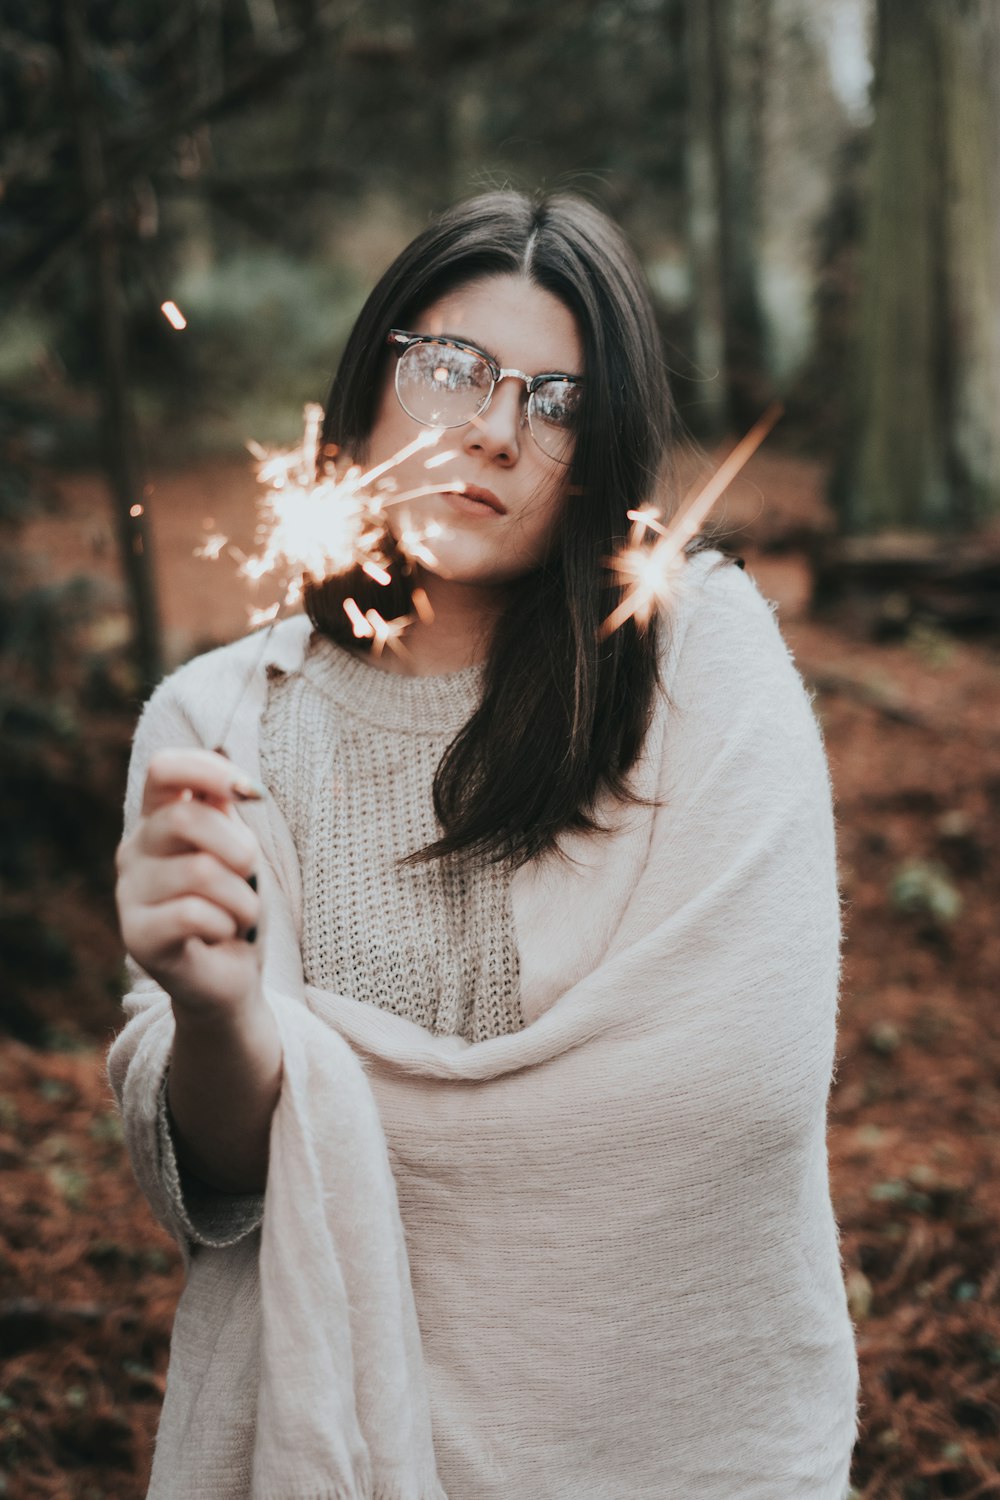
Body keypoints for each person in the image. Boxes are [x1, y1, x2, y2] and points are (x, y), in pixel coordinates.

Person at [110, 190, 860, 1500]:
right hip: (332, 1442)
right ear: (373, 380)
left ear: (601, 449)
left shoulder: (700, 667)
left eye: (558, 402)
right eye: (452, 368)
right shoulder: (218, 724)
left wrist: (329, 1095)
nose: (497, 432)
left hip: (662, 1458)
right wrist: (218, 1019)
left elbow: (737, 1085)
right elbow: (212, 1192)